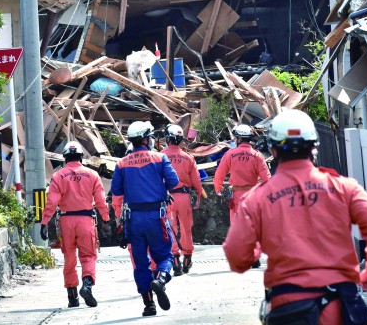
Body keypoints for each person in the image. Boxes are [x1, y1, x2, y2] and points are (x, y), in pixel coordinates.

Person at [223, 109, 367, 325]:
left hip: (288, 306)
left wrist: (256, 248)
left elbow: (237, 257)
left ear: (273, 150)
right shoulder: (343, 187)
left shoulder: (258, 198)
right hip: (342, 305)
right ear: (314, 147)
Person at [111, 120, 179, 317]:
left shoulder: (121, 163)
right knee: (165, 255)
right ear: (145, 139)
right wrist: (159, 188)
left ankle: (148, 305)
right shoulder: (159, 158)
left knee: (140, 262)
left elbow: (116, 190)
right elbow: (173, 182)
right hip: (155, 215)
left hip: (133, 219)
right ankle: (160, 278)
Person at [40, 140, 111, 309]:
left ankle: (72, 298)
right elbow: (101, 201)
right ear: (80, 156)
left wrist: (44, 223)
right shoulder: (92, 175)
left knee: (69, 259)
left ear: (65, 158)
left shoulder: (58, 176)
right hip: (86, 220)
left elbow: (51, 202)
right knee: (88, 256)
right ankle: (86, 286)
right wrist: (106, 220)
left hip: (66, 221)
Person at [161, 123, 204, 276]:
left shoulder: (160, 156)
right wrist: (198, 197)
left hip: (166, 198)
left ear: (168, 138)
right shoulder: (188, 157)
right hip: (184, 196)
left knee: (170, 228)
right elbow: (197, 182)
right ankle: (187, 257)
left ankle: (175, 260)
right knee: (186, 228)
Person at [213, 123, 270, 222]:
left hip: (237, 197)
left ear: (239, 139)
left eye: (235, 138)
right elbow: (267, 179)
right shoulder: (257, 155)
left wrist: (218, 188)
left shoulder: (230, 154)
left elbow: (219, 175)